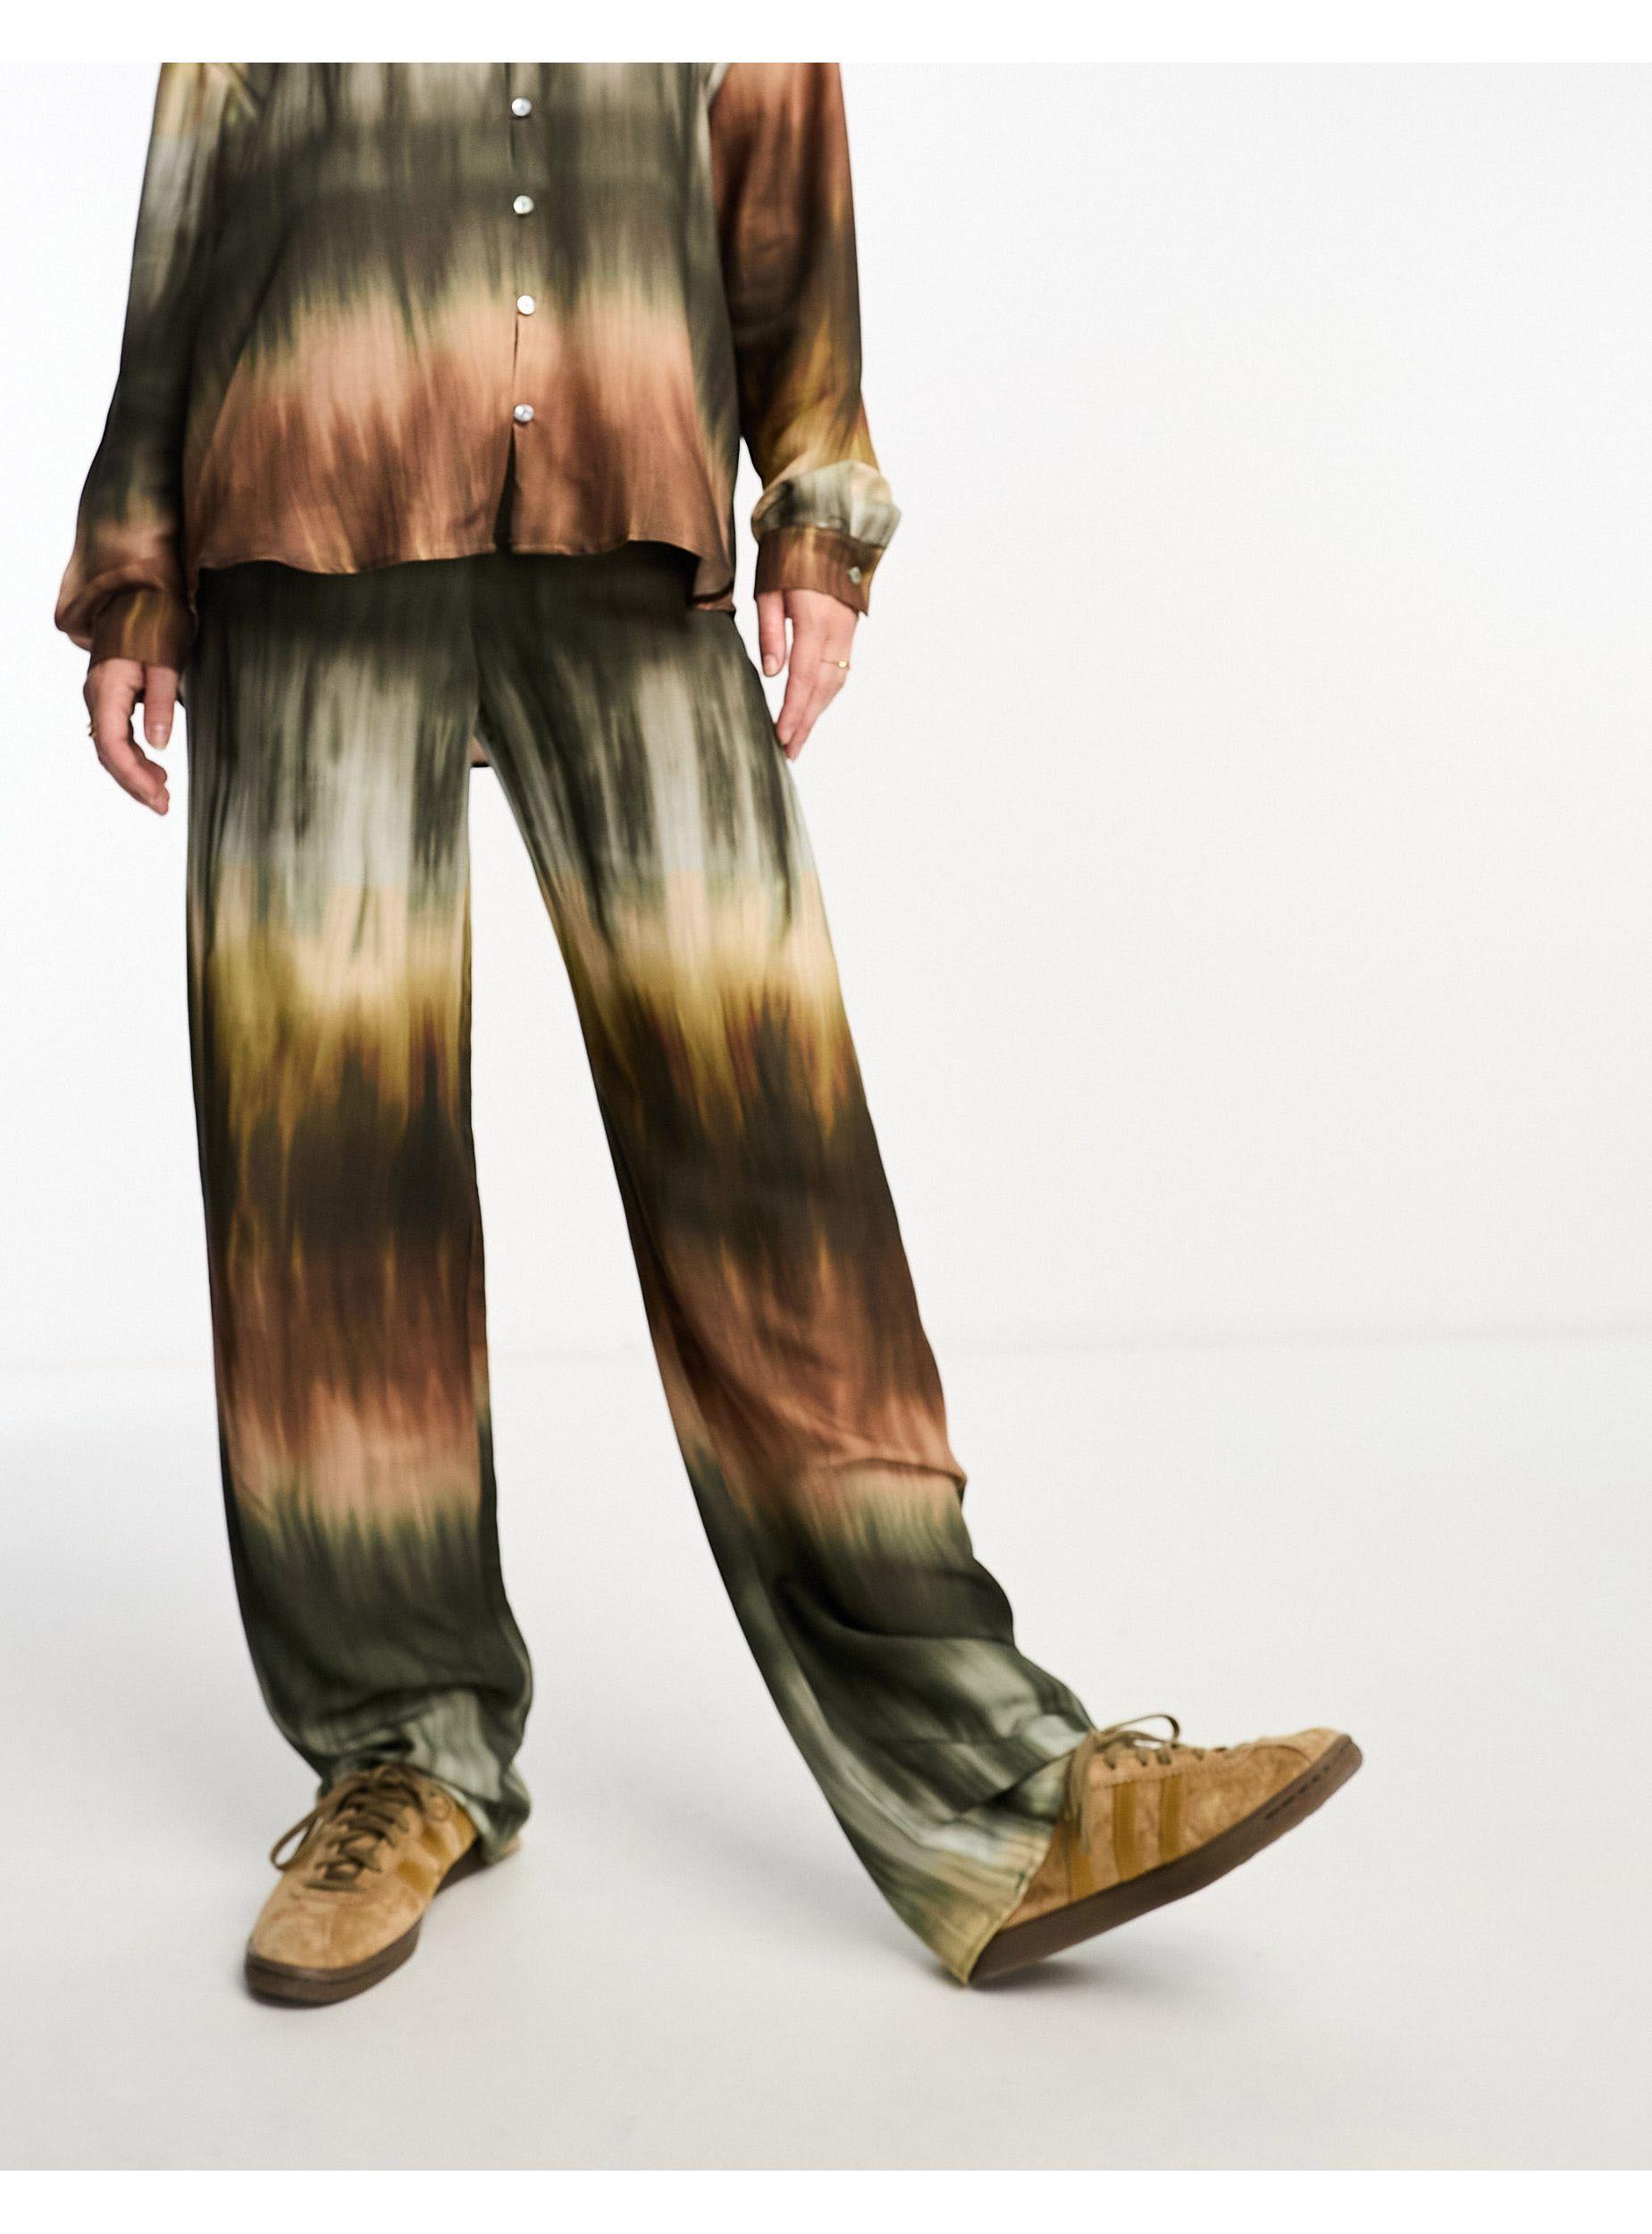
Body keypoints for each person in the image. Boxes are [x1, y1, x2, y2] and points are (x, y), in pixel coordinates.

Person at [59, 62, 1359, 2007]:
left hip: (631, 513)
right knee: (320, 1177)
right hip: (302, 502)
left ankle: (1000, 1783)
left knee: (769, 1139)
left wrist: (816, 512)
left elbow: (778, 167)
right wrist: (138, 562)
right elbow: (198, 183)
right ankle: (398, 1751)